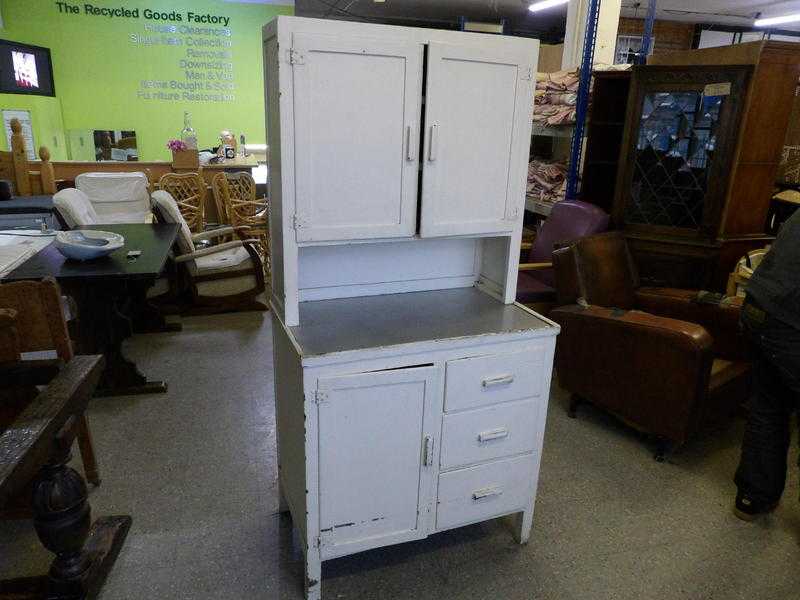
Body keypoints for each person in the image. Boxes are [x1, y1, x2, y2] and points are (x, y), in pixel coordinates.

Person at [734, 208, 800, 521]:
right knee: (770, 405)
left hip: (758, 309)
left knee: (769, 406)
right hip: (790, 323)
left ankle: (752, 497)